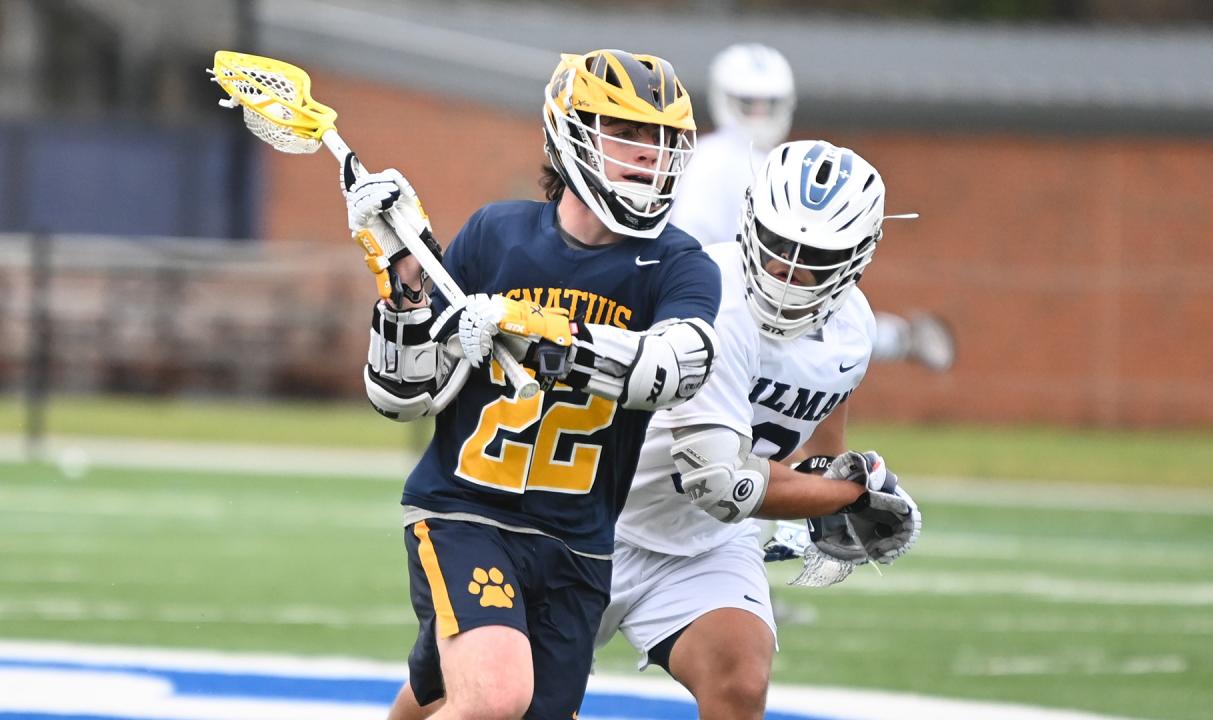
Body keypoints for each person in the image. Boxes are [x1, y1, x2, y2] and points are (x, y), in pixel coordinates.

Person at [345, 49, 721, 720]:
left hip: (577, 542)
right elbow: (401, 397)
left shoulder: (676, 263)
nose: (648, 155)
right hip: (467, 509)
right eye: (627, 133)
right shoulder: (498, 234)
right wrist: (403, 286)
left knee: (455, 700)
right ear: (570, 132)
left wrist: (537, 329)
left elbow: (674, 369)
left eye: (662, 138)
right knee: (496, 698)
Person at [596, 139, 922, 720]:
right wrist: (853, 493)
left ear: (859, 255)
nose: (788, 270)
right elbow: (720, 484)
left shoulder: (854, 329)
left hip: (701, 546)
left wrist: (830, 489)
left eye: (814, 256)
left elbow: (819, 450)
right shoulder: (710, 293)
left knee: (740, 681)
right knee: (478, 695)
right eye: (778, 245)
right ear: (750, 221)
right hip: (591, 521)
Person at [671, 42, 955, 372]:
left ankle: (898, 338)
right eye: (749, 103)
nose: (761, 114)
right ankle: (898, 338)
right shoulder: (720, 161)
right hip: (726, 305)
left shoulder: (755, 160)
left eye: (770, 104)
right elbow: (695, 245)